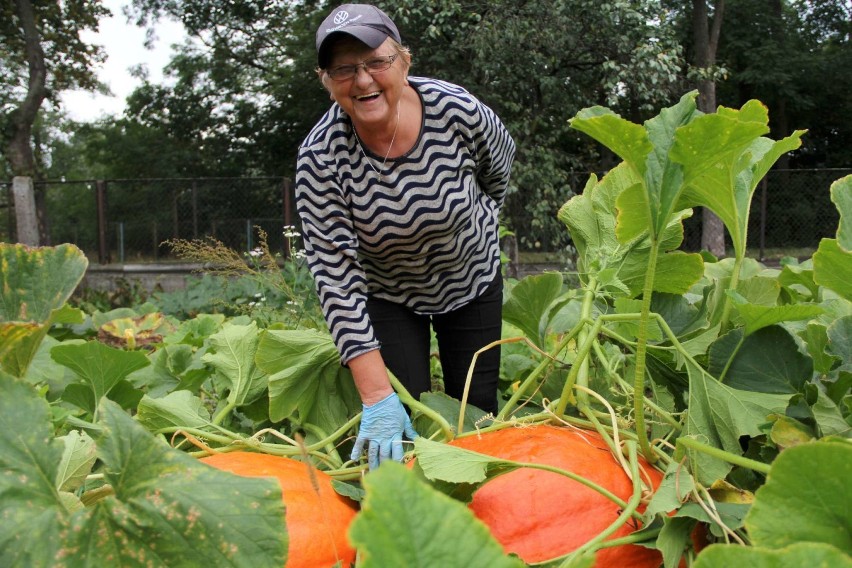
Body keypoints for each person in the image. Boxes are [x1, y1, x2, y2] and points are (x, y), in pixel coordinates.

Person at [295, 3, 516, 471]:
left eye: (377, 61)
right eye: (344, 69)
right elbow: (335, 277)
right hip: (388, 295)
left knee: (475, 413)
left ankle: (483, 516)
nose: (363, 80)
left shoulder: (457, 111)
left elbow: (497, 171)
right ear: (326, 80)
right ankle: (411, 521)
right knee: (402, 420)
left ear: (404, 61)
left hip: (470, 279)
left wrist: (477, 223)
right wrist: (376, 397)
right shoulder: (320, 158)